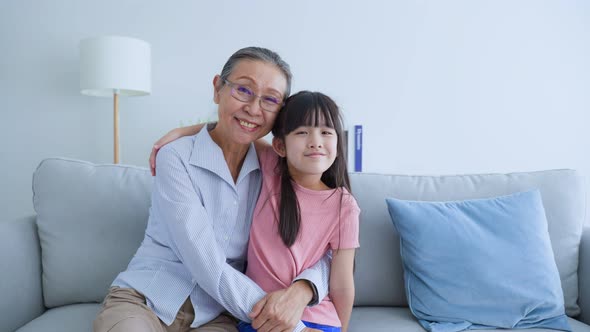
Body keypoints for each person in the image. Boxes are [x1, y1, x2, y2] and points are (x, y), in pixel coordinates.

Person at [94, 47, 330, 332]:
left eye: (269, 99)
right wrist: (296, 329)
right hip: (147, 298)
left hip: (218, 314)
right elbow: (205, 261)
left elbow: (330, 244)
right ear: (218, 88)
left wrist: (304, 289)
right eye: (243, 90)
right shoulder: (176, 156)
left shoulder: (276, 166)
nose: (254, 109)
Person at [154, 91, 360, 332]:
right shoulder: (272, 168)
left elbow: (342, 282)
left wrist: (343, 329)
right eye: (302, 132)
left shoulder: (345, 205)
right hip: (257, 314)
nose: (315, 141)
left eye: (326, 132)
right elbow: (228, 130)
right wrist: (180, 133)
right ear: (280, 146)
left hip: (318, 319)